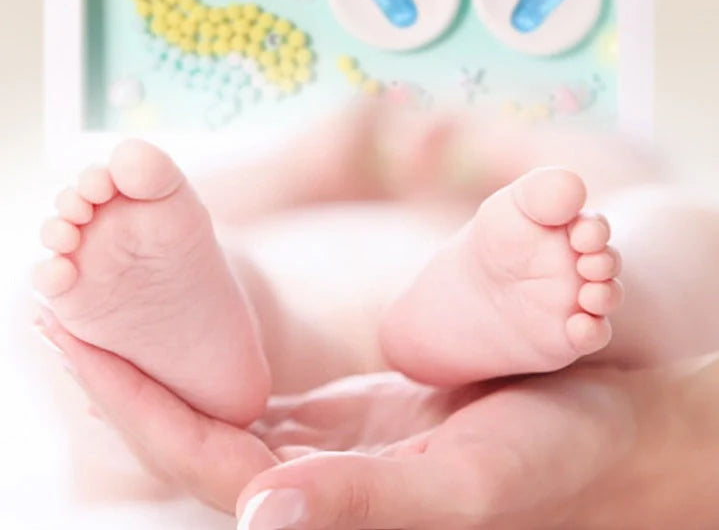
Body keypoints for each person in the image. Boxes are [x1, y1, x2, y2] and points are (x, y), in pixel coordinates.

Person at [33, 103, 719, 528]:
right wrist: (321, 161)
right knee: (669, 234)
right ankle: (188, 356)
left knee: (132, 357)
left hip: (355, 331)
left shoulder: (489, 228)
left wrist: (319, 163)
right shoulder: (511, 224)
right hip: (341, 323)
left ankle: (181, 372)